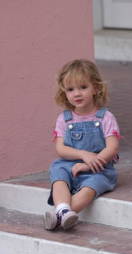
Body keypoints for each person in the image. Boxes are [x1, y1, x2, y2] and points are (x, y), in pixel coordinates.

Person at [44, 59, 121, 231]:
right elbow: (61, 149)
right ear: (65, 93)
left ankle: (59, 215)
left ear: (96, 88)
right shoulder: (64, 119)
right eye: (71, 89)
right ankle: (63, 210)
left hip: (98, 167)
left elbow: (112, 147)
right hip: (70, 165)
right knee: (59, 176)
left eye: (83, 87)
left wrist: (89, 164)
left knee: (89, 189)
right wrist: (83, 154)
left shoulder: (105, 117)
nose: (76, 93)